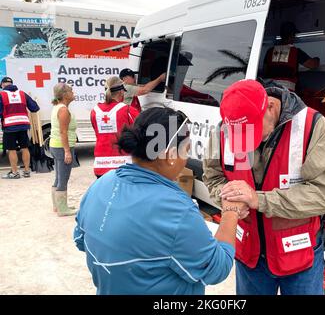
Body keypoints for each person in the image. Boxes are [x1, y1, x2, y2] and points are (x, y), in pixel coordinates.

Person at [74, 107, 246, 294]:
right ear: (171, 155)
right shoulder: (175, 210)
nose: (186, 159)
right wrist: (230, 211)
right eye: (186, 150)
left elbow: (81, 240)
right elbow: (216, 268)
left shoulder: (101, 184)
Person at [203, 79, 325, 295]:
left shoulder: (311, 126)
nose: (246, 143)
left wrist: (259, 200)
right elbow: (213, 177)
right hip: (250, 255)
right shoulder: (225, 127)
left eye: (252, 132)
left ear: (270, 106)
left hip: (299, 256)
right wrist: (228, 199)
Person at [90, 76, 139, 178]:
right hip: (123, 165)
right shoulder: (128, 110)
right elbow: (139, 133)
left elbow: (97, 133)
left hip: (100, 165)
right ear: (121, 92)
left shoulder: (94, 111)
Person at [0, 76, 40, 179]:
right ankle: (26, 171)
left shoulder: (1, 94)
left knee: (11, 149)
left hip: (9, 126)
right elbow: (35, 108)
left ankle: (15, 173)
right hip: (23, 125)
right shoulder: (22, 94)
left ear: (3, 85)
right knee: (24, 147)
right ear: (12, 84)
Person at [263, 22, 320, 91]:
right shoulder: (295, 52)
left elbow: (265, 70)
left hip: (270, 89)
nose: (295, 37)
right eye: (294, 35)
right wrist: (317, 59)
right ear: (291, 36)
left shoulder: (270, 51)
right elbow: (312, 65)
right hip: (287, 92)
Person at [49, 83, 78, 217]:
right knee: (63, 178)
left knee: (58, 177)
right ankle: (62, 209)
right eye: (71, 91)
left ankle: (57, 206)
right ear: (65, 95)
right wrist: (67, 151)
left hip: (55, 145)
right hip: (62, 147)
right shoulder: (63, 110)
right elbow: (63, 131)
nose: (73, 93)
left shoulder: (57, 107)